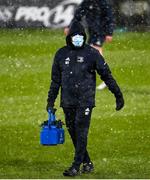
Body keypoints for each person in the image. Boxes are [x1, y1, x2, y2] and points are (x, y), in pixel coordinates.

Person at [47, 20, 124, 177]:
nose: (77, 38)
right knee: (73, 131)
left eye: (80, 36)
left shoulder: (91, 53)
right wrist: (50, 101)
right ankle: (87, 162)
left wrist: (118, 95)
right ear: (69, 37)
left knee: (81, 131)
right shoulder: (61, 54)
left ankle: (76, 166)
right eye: (74, 36)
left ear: (84, 36)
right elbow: (55, 81)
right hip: (67, 100)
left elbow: (107, 75)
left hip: (85, 100)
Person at [64, 0, 114, 90]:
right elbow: (78, 15)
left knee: (94, 53)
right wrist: (69, 26)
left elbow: (109, 17)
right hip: (92, 32)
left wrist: (109, 33)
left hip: (101, 32)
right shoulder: (86, 2)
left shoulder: (103, 3)